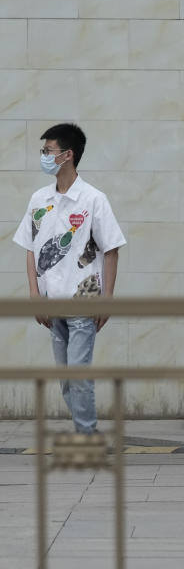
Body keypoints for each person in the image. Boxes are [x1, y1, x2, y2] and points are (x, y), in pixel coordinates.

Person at [13, 123, 126, 435]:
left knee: (78, 374)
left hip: (83, 301)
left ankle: (86, 436)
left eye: (48, 151)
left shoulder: (93, 200)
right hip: (52, 302)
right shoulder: (39, 199)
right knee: (66, 379)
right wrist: (35, 295)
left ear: (67, 155)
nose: (44, 156)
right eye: (44, 151)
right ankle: (85, 431)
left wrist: (107, 299)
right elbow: (30, 250)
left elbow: (112, 249)